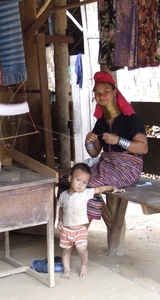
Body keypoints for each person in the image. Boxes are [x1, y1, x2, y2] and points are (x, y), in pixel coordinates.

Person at [58, 71, 148, 221]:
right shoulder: (101, 122)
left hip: (127, 168)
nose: (101, 95)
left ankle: (80, 232)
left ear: (115, 92)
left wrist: (118, 140)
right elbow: (94, 153)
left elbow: (143, 148)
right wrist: (89, 142)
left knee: (86, 184)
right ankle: (66, 224)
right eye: (97, 93)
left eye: (106, 91)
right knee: (67, 179)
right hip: (105, 165)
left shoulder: (131, 119)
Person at [55, 163, 125, 279]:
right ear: (70, 178)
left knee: (82, 249)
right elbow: (61, 208)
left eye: (84, 182)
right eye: (78, 180)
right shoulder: (63, 196)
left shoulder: (85, 193)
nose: (81, 184)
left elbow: (99, 189)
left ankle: (84, 265)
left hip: (80, 230)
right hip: (66, 230)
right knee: (66, 251)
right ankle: (67, 269)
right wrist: (60, 221)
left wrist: (112, 187)